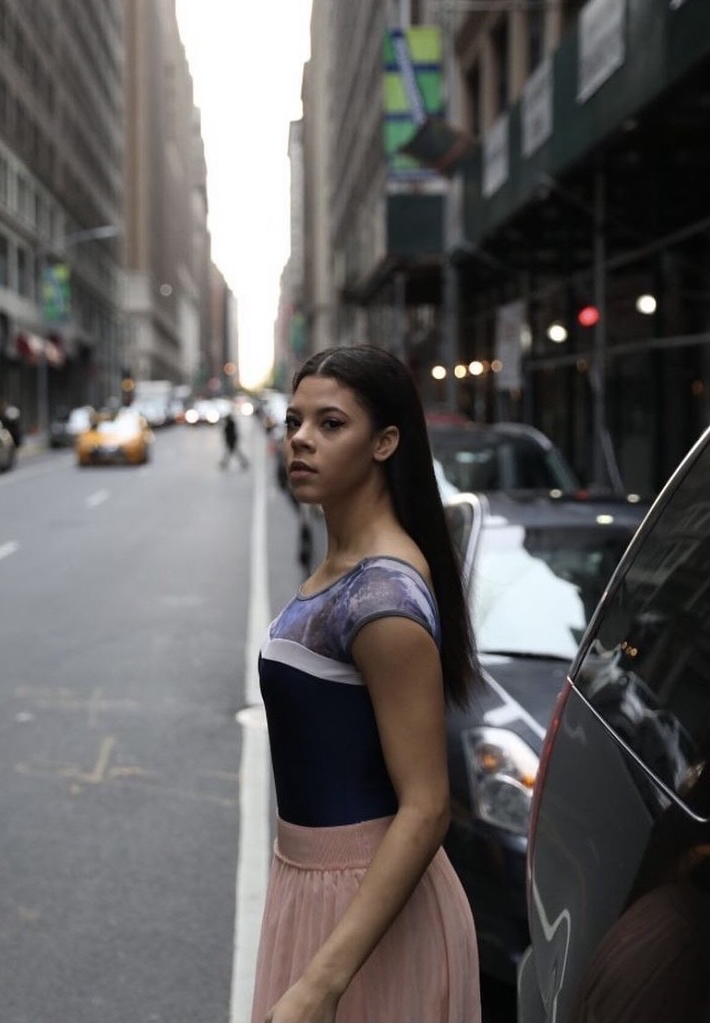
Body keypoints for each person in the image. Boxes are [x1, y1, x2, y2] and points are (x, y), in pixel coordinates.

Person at [252, 345, 483, 1023]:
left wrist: (322, 982)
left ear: (384, 442)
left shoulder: (381, 596)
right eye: (295, 420)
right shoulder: (346, 565)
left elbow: (427, 806)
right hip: (312, 890)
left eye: (329, 424)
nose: (300, 438)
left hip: (362, 913)